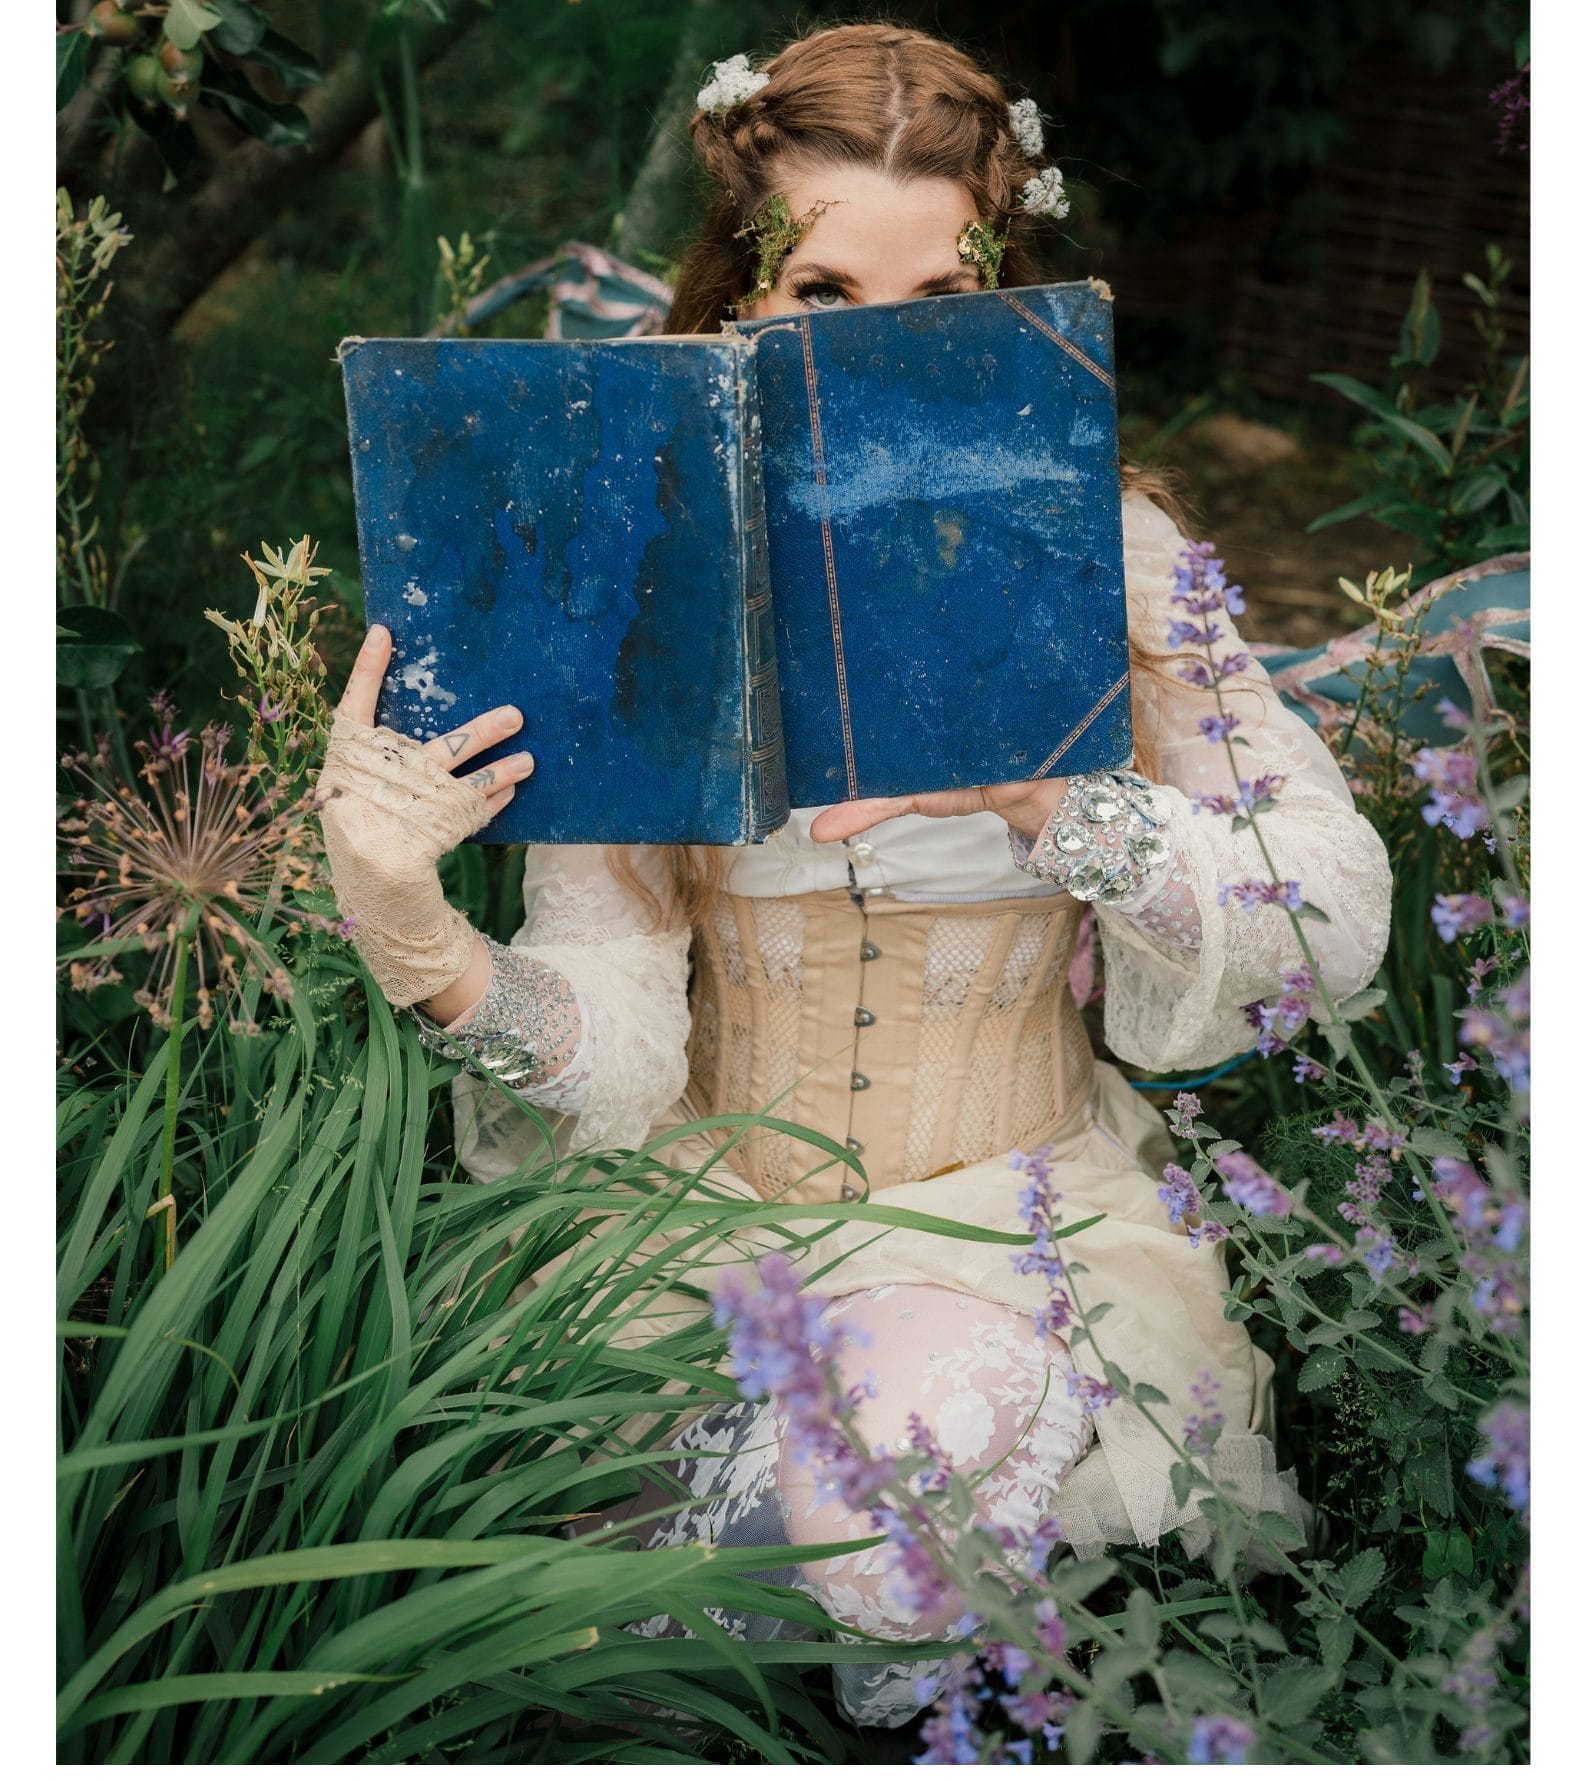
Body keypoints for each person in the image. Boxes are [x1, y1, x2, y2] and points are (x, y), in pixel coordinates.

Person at [314, 22, 1393, 1730]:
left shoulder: (1116, 558)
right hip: (692, 1220)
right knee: (615, 1608)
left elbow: (1325, 919)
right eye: (822, 293)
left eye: (932, 299)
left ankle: (851, 1622)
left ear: (1002, 296)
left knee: (859, 1512)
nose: (872, 353)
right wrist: (412, 926)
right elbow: (615, 1040)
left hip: (1005, 1221)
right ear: (738, 304)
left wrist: (1061, 806)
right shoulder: (646, 564)